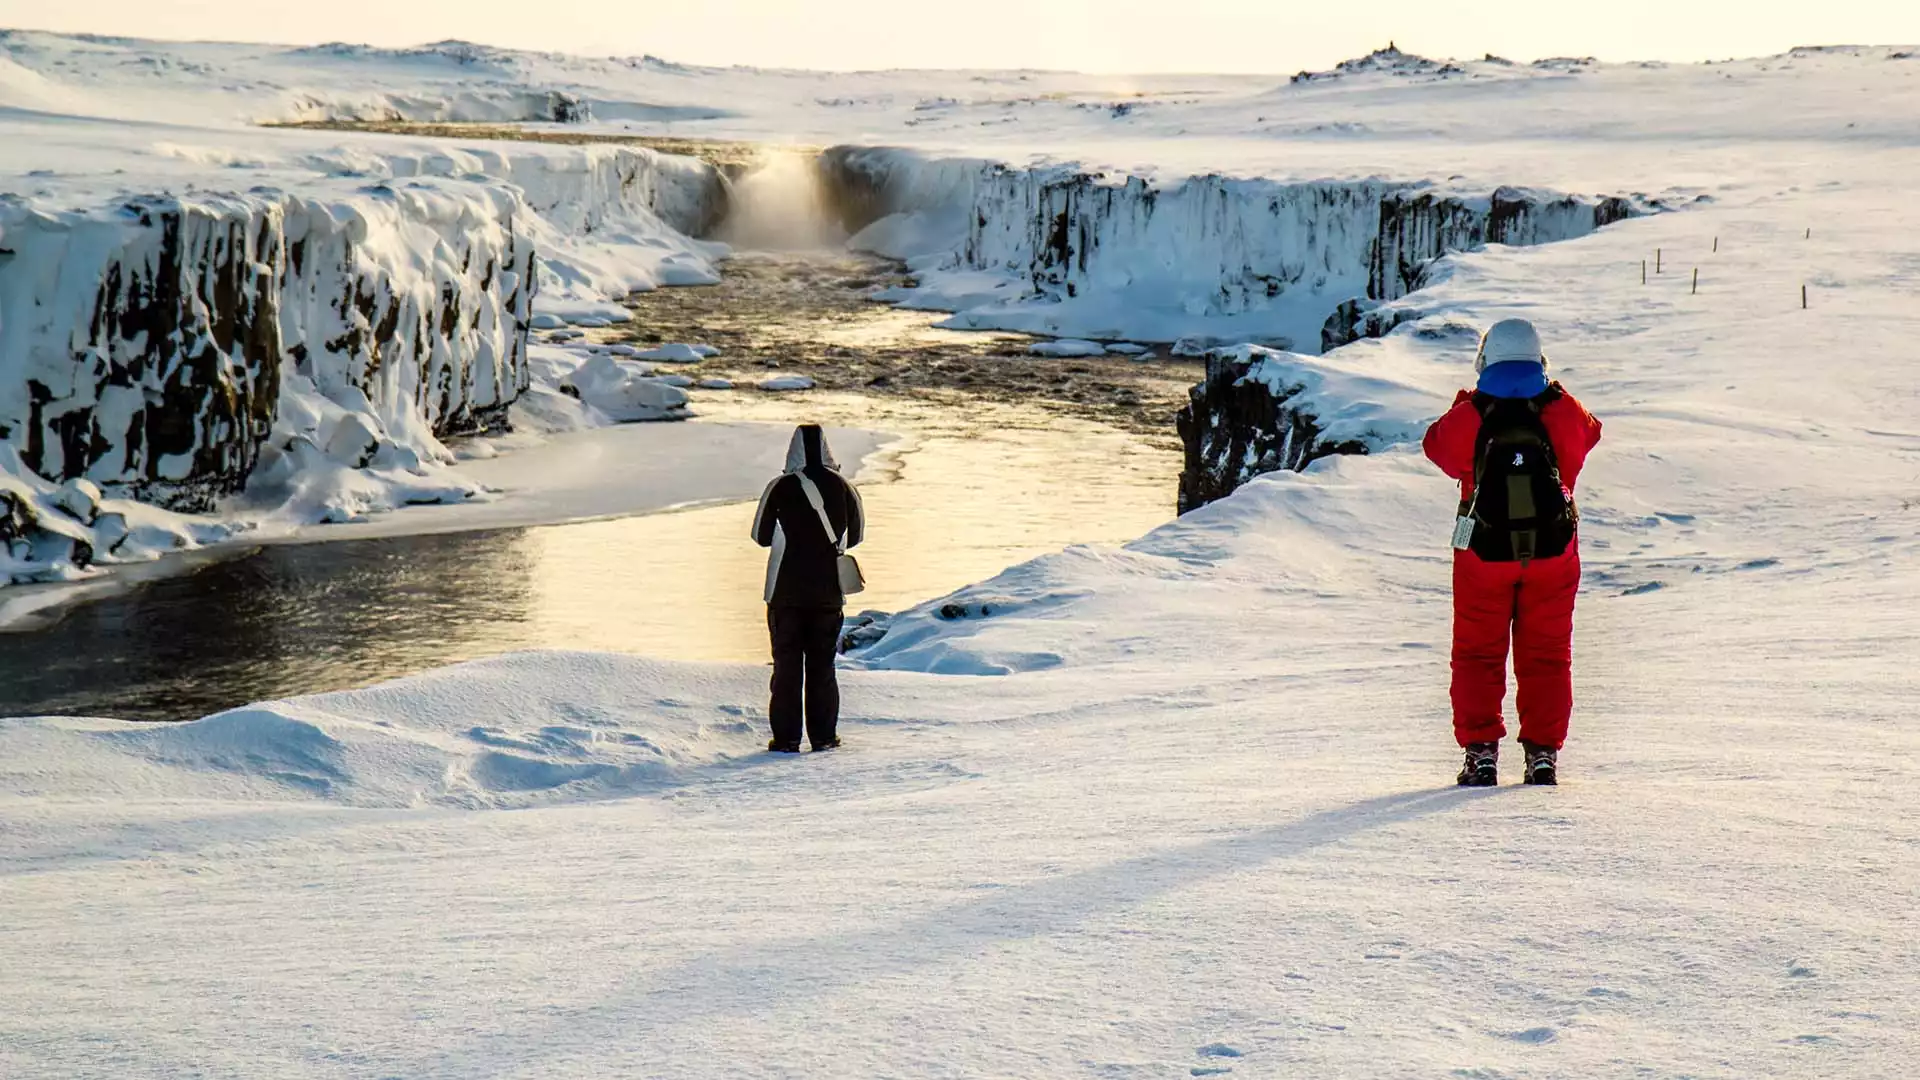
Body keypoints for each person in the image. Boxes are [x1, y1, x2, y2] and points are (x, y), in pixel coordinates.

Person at [1422, 319, 1602, 787]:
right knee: (1547, 653)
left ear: (1486, 359)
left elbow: (1436, 448)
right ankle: (1542, 755)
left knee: (1478, 652)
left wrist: (1470, 403)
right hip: (1553, 552)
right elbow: (1589, 435)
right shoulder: (1560, 411)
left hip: (1484, 552)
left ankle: (1481, 753)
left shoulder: (1473, 415)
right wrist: (1554, 393)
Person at [750, 424, 865, 754]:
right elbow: (855, 537)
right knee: (823, 667)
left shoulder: (780, 487)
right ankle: (824, 737)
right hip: (829, 594)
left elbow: (760, 536)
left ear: (792, 451)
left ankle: (786, 740)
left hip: (784, 594)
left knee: (786, 668)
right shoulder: (845, 487)